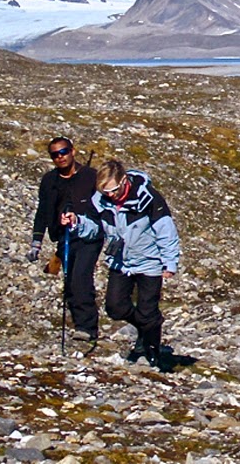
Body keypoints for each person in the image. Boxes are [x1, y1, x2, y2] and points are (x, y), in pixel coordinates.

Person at [61, 159, 181, 370]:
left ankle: (151, 354)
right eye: (105, 192)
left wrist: (169, 262)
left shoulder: (149, 198)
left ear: (124, 180)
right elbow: (94, 228)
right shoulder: (100, 200)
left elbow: (166, 230)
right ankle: (147, 328)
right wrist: (77, 223)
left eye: (114, 190)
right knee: (115, 308)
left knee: (147, 310)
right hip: (120, 261)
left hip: (149, 262)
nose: (110, 195)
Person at [28, 137, 101, 345]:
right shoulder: (49, 181)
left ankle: (87, 327)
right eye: (55, 154)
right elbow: (42, 211)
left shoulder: (90, 177)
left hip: (89, 236)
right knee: (70, 280)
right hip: (63, 236)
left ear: (73, 151)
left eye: (64, 152)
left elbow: (104, 208)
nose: (60, 157)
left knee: (81, 277)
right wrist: (37, 241)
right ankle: (80, 323)